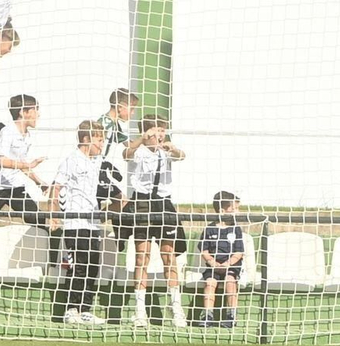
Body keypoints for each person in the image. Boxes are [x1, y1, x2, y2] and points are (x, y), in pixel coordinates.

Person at [124, 114, 188, 328]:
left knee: (169, 256)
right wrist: (142, 139)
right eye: (157, 130)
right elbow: (126, 154)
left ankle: (176, 306)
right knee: (142, 257)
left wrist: (173, 148)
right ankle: (140, 310)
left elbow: (182, 156)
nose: (161, 135)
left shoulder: (166, 152)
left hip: (163, 203)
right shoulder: (139, 151)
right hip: (142, 203)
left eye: (163, 130)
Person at [46, 121, 109, 326]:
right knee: (79, 266)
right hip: (75, 223)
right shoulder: (72, 160)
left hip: (92, 223)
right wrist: (53, 213)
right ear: (86, 139)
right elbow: (56, 187)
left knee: (92, 266)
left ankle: (85, 310)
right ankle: (71, 309)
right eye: (100, 140)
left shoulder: (96, 162)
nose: (102, 144)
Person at [0, 92, 47, 225]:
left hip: (15, 188)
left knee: (39, 219)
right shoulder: (7, 132)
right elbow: (2, 161)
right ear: (23, 112)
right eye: (35, 110)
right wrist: (29, 164)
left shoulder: (27, 136)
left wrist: (39, 182)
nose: (38, 114)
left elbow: (23, 165)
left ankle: (52, 243)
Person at [197, 191, 245, 328]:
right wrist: (212, 262)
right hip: (214, 266)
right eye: (235, 209)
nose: (238, 212)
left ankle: (231, 315)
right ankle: (207, 314)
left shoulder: (236, 229)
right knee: (210, 283)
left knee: (230, 282)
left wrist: (227, 264)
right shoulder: (210, 229)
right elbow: (204, 250)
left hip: (231, 266)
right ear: (222, 210)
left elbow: (239, 252)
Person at [98, 88, 139, 240]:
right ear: (120, 107)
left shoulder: (116, 125)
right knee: (121, 201)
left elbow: (129, 145)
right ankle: (94, 219)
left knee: (121, 202)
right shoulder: (104, 123)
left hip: (102, 170)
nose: (133, 113)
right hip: (95, 170)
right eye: (132, 108)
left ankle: (96, 218)